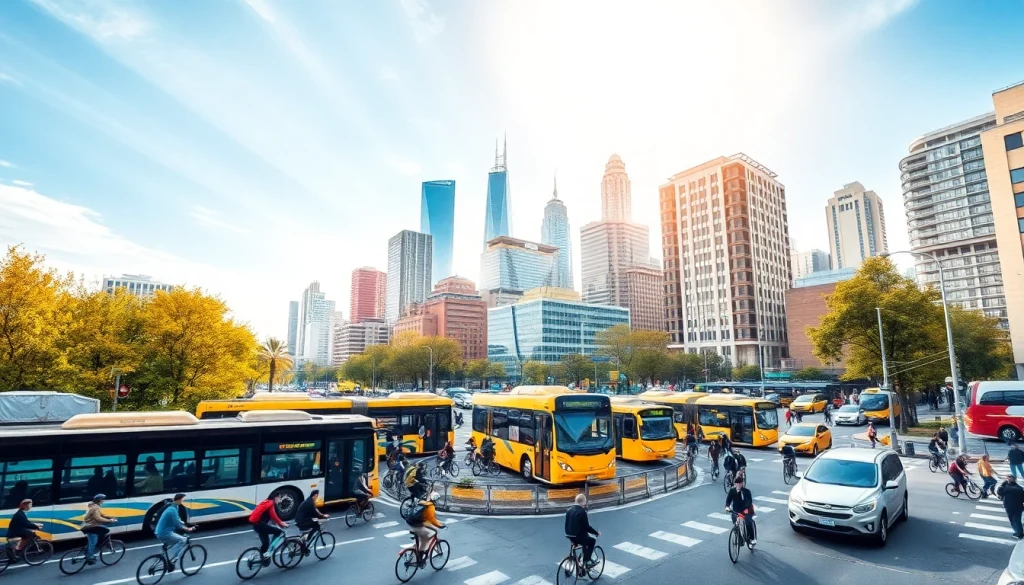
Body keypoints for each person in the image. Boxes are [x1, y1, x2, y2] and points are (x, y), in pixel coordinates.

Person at [155, 493, 195, 571]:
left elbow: (178, 519)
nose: (182, 501)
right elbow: (177, 524)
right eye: (182, 500)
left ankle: (163, 557)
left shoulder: (173, 507)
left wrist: (184, 523)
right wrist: (188, 529)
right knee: (182, 540)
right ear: (179, 500)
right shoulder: (172, 510)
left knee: (173, 542)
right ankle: (173, 559)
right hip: (164, 533)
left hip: (161, 531)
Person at [406, 492, 445, 566]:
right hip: (417, 525)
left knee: (422, 535)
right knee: (425, 538)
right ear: (436, 500)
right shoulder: (431, 507)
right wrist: (440, 526)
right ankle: (420, 561)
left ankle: (412, 552)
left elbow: (425, 517)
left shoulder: (422, 502)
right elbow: (432, 520)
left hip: (410, 522)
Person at [249, 493, 288, 564]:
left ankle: (262, 560)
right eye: (279, 498)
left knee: (265, 544)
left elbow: (270, 517)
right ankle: (271, 549)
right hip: (261, 526)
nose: (279, 500)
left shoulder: (265, 502)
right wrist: (282, 523)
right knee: (279, 532)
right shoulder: (271, 503)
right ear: (275, 497)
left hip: (256, 526)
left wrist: (278, 523)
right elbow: (273, 515)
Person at [564, 494, 600, 570]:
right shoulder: (582, 512)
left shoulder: (569, 510)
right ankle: (587, 560)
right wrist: (596, 533)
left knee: (584, 539)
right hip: (579, 537)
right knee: (592, 541)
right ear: (582, 502)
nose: (585, 505)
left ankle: (577, 562)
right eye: (585, 503)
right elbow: (587, 527)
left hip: (570, 536)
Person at [81, 494, 117, 563]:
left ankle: (98, 545)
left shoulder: (94, 506)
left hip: (90, 525)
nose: (103, 501)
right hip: (90, 527)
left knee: (105, 530)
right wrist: (110, 521)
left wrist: (111, 517)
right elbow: (98, 518)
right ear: (99, 500)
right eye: (102, 500)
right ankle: (90, 556)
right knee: (93, 541)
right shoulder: (95, 508)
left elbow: (101, 515)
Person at [725, 475, 756, 545]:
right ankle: (739, 538)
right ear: (735, 483)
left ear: (742, 483)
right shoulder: (732, 491)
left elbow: (749, 502)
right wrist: (727, 507)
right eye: (737, 483)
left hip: (746, 510)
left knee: (748, 521)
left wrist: (747, 509)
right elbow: (728, 501)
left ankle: (752, 538)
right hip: (736, 510)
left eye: (740, 483)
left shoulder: (746, 491)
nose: (738, 484)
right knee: (735, 523)